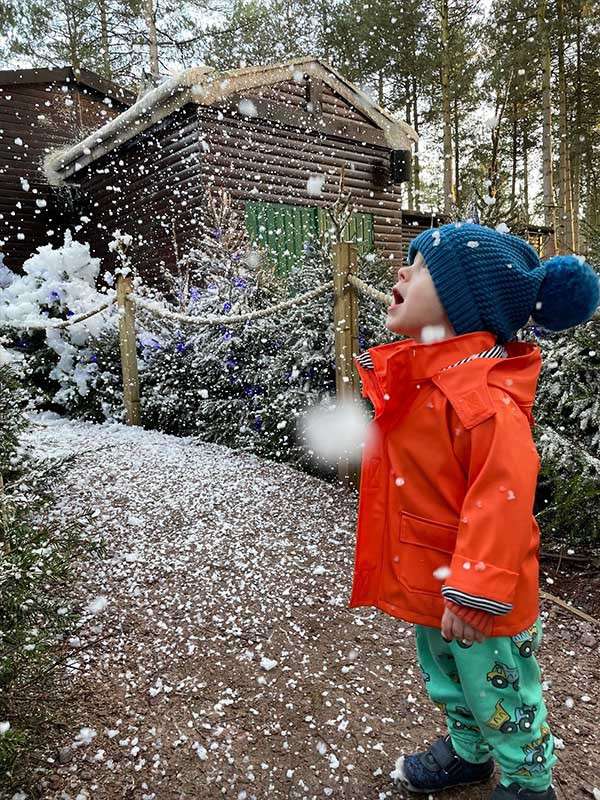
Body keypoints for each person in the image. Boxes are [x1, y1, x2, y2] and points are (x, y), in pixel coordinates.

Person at [349, 221, 599, 799]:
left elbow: (503, 500)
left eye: (422, 265)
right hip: (433, 577)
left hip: (479, 591)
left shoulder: (483, 402)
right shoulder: (423, 379)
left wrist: (474, 586)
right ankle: (469, 751)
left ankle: (529, 781)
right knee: (449, 680)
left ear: (465, 304)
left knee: (501, 691)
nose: (402, 271)